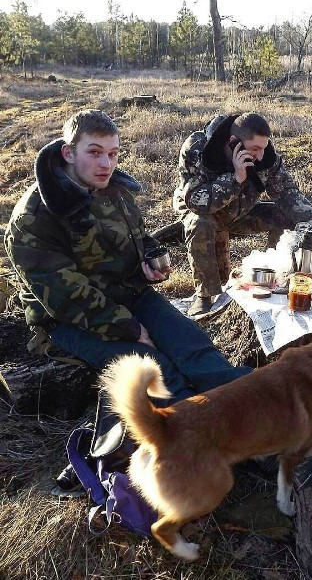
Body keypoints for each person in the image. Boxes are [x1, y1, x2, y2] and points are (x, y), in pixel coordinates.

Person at [4, 110, 254, 486]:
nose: (106, 163)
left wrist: (151, 259)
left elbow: (139, 236)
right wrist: (129, 328)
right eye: (95, 152)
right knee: (154, 368)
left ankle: (252, 422)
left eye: (114, 153)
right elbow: (64, 297)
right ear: (69, 153)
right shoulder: (35, 216)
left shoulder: (113, 189)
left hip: (129, 292)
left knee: (193, 345)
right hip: (70, 319)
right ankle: (198, 449)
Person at [173, 112, 312, 316]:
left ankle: (274, 276)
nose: (260, 156)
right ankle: (204, 294)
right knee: (199, 224)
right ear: (233, 143)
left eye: (263, 148)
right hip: (206, 213)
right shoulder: (198, 149)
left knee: (286, 217)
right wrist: (236, 178)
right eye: (255, 149)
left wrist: (308, 218)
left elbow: (286, 192)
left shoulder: (265, 155)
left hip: (242, 212)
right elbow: (199, 203)